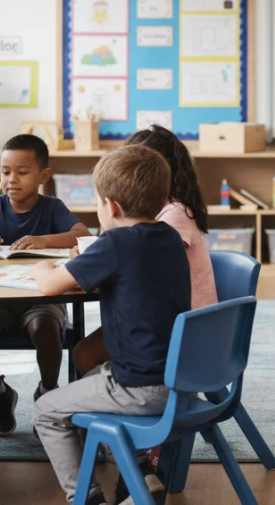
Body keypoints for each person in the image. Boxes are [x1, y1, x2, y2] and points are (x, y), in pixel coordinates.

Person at [31, 146, 191, 505]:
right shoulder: (169, 236)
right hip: (181, 381)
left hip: (139, 386)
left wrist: (41, 267)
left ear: (111, 206)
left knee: (46, 411)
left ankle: (86, 498)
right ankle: (141, 473)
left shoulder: (115, 243)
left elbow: (50, 285)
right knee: (90, 376)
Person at [0, 134, 91, 436]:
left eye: (22, 172)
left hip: (43, 298)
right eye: (5, 172)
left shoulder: (51, 208)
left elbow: (83, 234)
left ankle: (47, 394)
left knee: (46, 331)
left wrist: (45, 240)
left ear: (43, 175)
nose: (11, 179)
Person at [71, 124, 216, 376]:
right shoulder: (149, 213)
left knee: (87, 353)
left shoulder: (175, 213)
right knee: (84, 351)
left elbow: (141, 262)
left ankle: (123, 393)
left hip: (179, 323)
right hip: (160, 315)